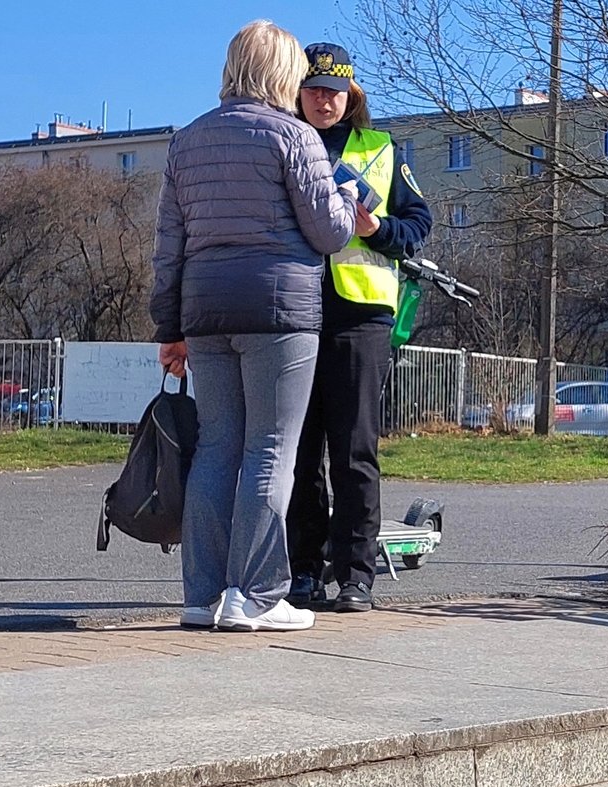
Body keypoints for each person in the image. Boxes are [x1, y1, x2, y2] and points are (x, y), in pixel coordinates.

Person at [150, 21, 358, 632]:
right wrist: (349, 205)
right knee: (271, 449)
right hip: (279, 312)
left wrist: (169, 326)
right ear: (283, 73)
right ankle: (260, 595)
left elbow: (169, 246)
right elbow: (329, 232)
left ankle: (201, 597)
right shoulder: (295, 137)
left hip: (206, 311)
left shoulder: (185, 143)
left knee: (216, 448)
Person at [286, 42, 434, 613]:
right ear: (298, 93)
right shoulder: (284, 143)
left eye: (335, 92)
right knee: (299, 454)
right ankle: (303, 572)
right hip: (295, 310)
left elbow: (418, 225)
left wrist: (375, 227)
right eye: (315, 90)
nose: (324, 101)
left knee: (354, 451)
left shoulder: (381, 148)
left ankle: (355, 576)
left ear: (352, 97)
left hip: (361, 315)